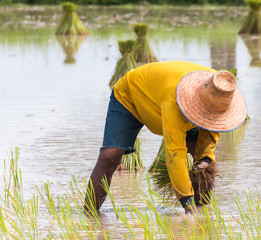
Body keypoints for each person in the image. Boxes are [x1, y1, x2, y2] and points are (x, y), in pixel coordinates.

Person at [84, 61, 247, 214]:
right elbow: (174, 154)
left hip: (174, 98)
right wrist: (187, 205)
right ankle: (90, 215)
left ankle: (203, 213)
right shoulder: (175, 101)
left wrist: (205, 158)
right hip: (131, 96)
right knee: (110, 156)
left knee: (203, 166)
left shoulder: (221, 88)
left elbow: (212, 130)